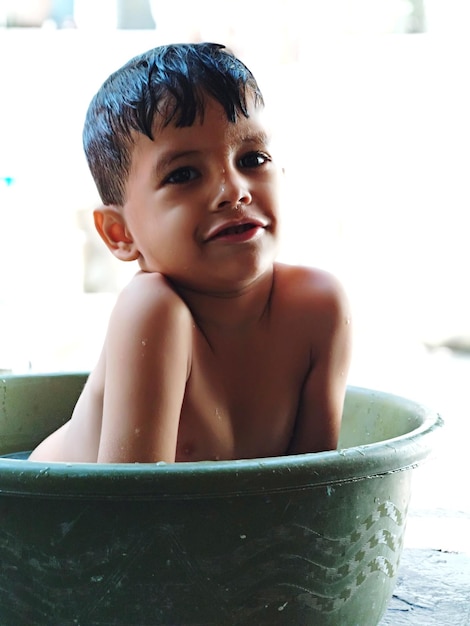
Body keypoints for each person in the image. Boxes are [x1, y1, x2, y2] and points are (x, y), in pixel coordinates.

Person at [30, 42, 352, 464]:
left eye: (253, 158)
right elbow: (129, 515)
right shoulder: (154, 310)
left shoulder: (318, 307)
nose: (234, 191)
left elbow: (315, 493)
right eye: (183, 174)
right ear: (120, 233)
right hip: (38, 514)